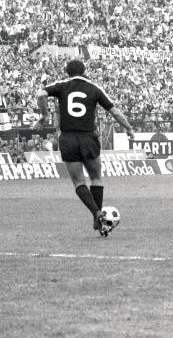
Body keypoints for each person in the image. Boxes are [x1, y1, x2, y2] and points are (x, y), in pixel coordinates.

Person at [34, 60, 134, 236]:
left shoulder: (61, 85)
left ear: (67, 72)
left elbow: (40, 93)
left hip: (68, 138)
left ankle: (96, 213)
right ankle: (99, 217)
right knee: (96, 178)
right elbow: (115, 111)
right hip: (88, 137)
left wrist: (44, 115)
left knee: (79, 182)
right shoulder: (94, 88)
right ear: (85, 70)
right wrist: (128, 128)